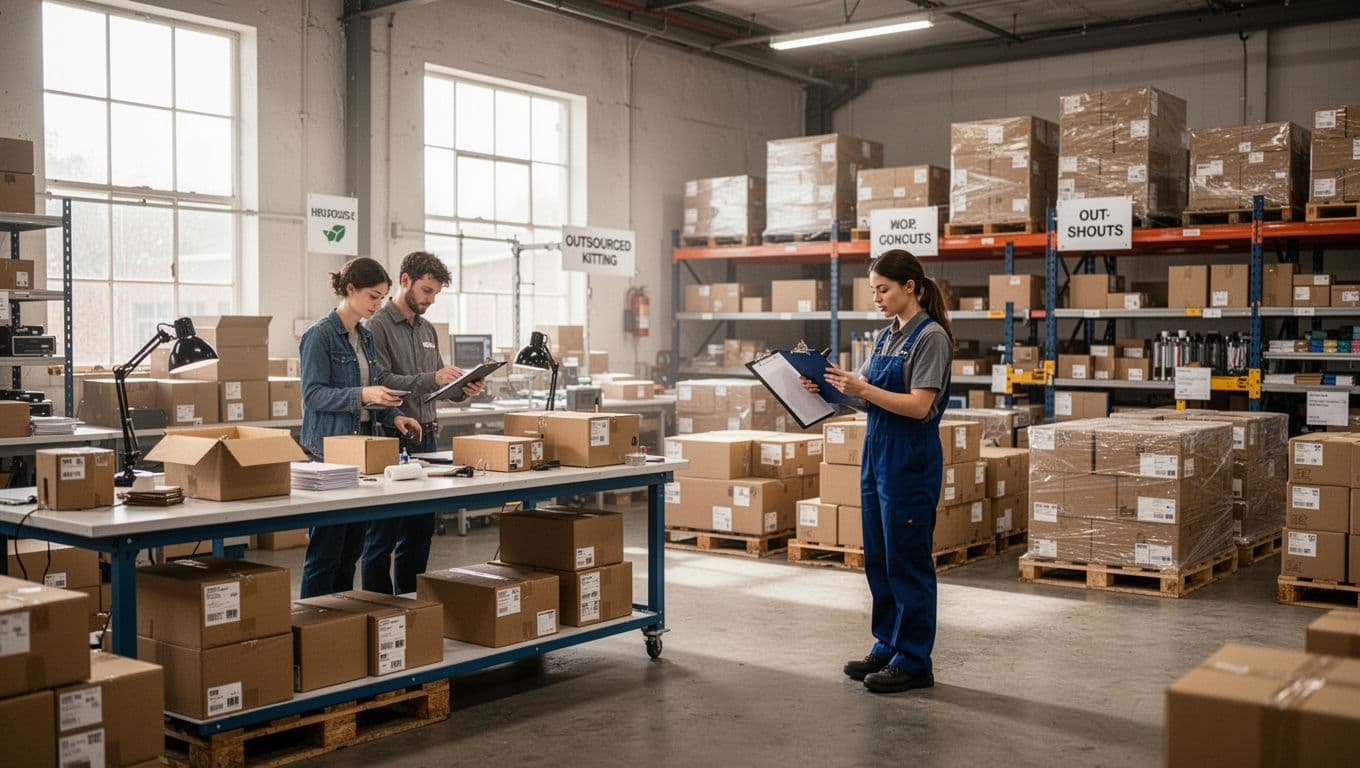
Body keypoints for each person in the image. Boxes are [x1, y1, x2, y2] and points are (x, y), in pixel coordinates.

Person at [804, 249, 954, 694]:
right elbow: (866, 398)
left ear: (911, 287)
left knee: (907, 561)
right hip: (877, 456)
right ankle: (887, 643)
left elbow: (919, 404)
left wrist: (862, 386)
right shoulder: (887, 336)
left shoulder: (931, 338)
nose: (877, 298)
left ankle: (913, 660)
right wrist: (828, 390)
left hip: (909, 459)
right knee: (880, 558)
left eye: (884, 289)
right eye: (873, 291)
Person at [361, 251, 486, 594]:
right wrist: (432, 378)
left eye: (435, 294)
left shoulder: (428, 329)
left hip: (427, 438)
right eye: (427, 291)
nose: (431, 300)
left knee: (419, 530)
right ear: (405, 281)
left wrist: (462, 389)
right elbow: (381, 379)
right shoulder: (376, 327)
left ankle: (411, 605)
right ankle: (378, 610)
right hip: (391, 436)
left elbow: (437, 386)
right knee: (381, 534)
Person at [298, 256, 423, 598]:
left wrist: (392, 416)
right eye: (372, 296)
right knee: (325, 552)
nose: (377, 304)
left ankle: (340, 624)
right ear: (350, 289)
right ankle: (313, 626)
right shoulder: (319, 336)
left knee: (351, 551)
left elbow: (370, 397)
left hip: (362, 455)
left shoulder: (365, 338)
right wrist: (363, 393)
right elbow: (313, 395)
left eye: (382, 297)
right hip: (329, 455)